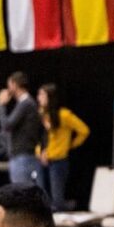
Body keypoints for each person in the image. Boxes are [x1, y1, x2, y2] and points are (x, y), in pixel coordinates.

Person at [37, 83, 89, 211]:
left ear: (51, 97)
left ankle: (71, 208)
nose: (39, 98)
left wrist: (70, 145)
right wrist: (39, 152)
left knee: (57, 200)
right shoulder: (41, 114)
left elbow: (84, 130)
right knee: (42, 198)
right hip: (42, 160)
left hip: (58, 161)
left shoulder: (63, 115)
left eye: (42, 95)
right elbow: (39, 137)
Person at [0, 72, 43, 186]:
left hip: (23, 155)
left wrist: (1, 105)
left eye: (9, 85)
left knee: (21, 193)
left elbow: (6, 125)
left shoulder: (26, 103)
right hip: (21, 154)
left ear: (14, 85)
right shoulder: (24, 103)